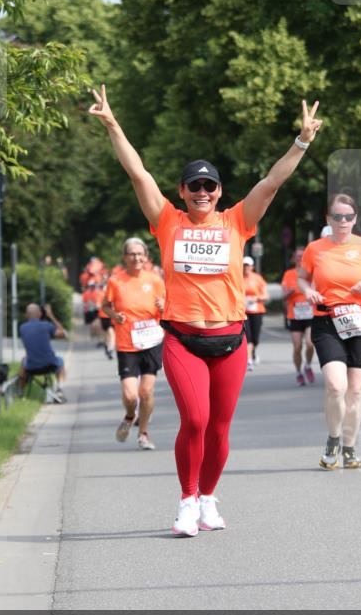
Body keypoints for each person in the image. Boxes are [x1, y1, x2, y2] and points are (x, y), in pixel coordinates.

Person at [89, 83, 322, 535]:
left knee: (218, 427)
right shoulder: (167, 221)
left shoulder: (238, 220)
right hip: (182, 338)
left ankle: (209, 497)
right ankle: (187, 500)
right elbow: (138, 174)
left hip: (230, 337)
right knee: (194, 419)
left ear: (218, 192)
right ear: (182, 191)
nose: (201, 191)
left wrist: (303, 140)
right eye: (193, 185)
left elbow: (272, 182)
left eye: (208, 185)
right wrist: (113, 124)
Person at [298, 194, 361, 471]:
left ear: (355, 219)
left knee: (356, 391)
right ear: (328, 219)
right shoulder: (315, 248)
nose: (343, 222)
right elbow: (302, 277)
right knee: (337, 386)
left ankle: (349, 448)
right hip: (328, 321)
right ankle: (333, 439)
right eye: (337, 217)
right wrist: (308, 291)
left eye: (348, 217)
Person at [102, 238, 166, 450]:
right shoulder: (115, 281)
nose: (136, 258)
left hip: (152, 341)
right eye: (132, 254)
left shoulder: (155, 280)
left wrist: (163, 305)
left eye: (140, 254)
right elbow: (105, 306)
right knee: (130, 395)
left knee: (146, 392)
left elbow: (169, 308)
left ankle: (143, 433)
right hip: (127, 343)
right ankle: (130, 415)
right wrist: (114, 315)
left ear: (146, 257)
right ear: (125, 257)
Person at [19, 302, 68, 402]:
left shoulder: (22, 328)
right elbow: (64, 334)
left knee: (23, 361)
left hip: (31, 367)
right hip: (49, 364)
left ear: (26, 315)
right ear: (40, 314)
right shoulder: (47, 326)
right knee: (61, 361)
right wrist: (51, 316)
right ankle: (59, 389)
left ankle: (21, 392)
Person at [280, 247, 315, 385]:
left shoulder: (311, 273)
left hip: (311, 314)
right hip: (294, 315)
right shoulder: (288, 274)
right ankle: (299, 372)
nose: (300, 258)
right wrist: (292, 291)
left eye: (303, 256)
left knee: (310, 343)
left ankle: (308, 366)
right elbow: (283, 296)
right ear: (294, 258)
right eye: (298, 256)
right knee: (297, 347)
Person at [242, 257, 269, 369]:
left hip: (257, 311)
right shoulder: (237, 278)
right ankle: (248, 361)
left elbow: (266, 296)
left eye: (248, 265)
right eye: (244, 265)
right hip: (243, 312)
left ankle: (253, 352)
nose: (246, 268)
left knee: (255, 338)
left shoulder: (258, 278)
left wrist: (255, 298)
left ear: (252, 267)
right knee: (247, 336)